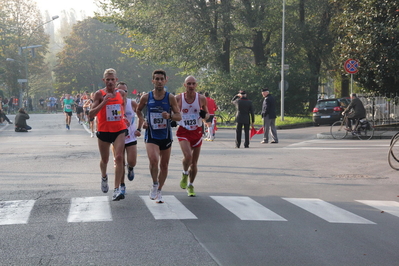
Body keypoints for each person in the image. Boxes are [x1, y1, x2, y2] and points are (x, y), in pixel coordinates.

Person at [136, 69, 182, 203]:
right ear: (153, 81)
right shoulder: (146, 97)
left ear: (165, 80)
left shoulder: (170, 97)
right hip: (151, 134)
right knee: (154, 160)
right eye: (157, 79)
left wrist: (170, 116)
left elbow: (179, 116)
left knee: (164, 165)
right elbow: (138, 110)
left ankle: (159, 190)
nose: (159, 81)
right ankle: (155, 183)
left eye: (162, 79)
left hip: (166, 135)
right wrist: (143, 120)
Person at [89, 68, 127, 201]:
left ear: (116, 80)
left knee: (119, 157)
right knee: (105, 159)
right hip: (104, 131)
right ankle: (104, 177)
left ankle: (117, 189)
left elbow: (122, 108)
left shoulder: (121, 93)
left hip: (119, 129)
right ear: (104, 80)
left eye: (112, 79)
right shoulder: (99, 94)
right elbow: (91, 114)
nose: (110, 82)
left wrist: (124, 118)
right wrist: (104, 101)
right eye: (108, 79)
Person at [175, 76, 209, 197]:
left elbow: (207, 115)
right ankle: (184, 173)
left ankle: (190, 185)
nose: (191, 86)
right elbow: (173, 112)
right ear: (184, 85)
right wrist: (174, 117)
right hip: (183, 131)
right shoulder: (178, 98)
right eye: (188, 83)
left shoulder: (201, 98)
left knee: (194, 163)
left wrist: (204, 114)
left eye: (193, 83)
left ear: (196, 85)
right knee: (188, 156)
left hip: (197, 132)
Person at [116, 82, 143, 196]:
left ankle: (130, 168)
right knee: (119, 162)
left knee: (132, 161)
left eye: (125, 91)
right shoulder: (113, 103)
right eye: (120, 90)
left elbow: (141, 115)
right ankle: (122, 185)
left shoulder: (132, 103)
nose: (122, 93)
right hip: (117, 137)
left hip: (131, 137)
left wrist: (139, 129)